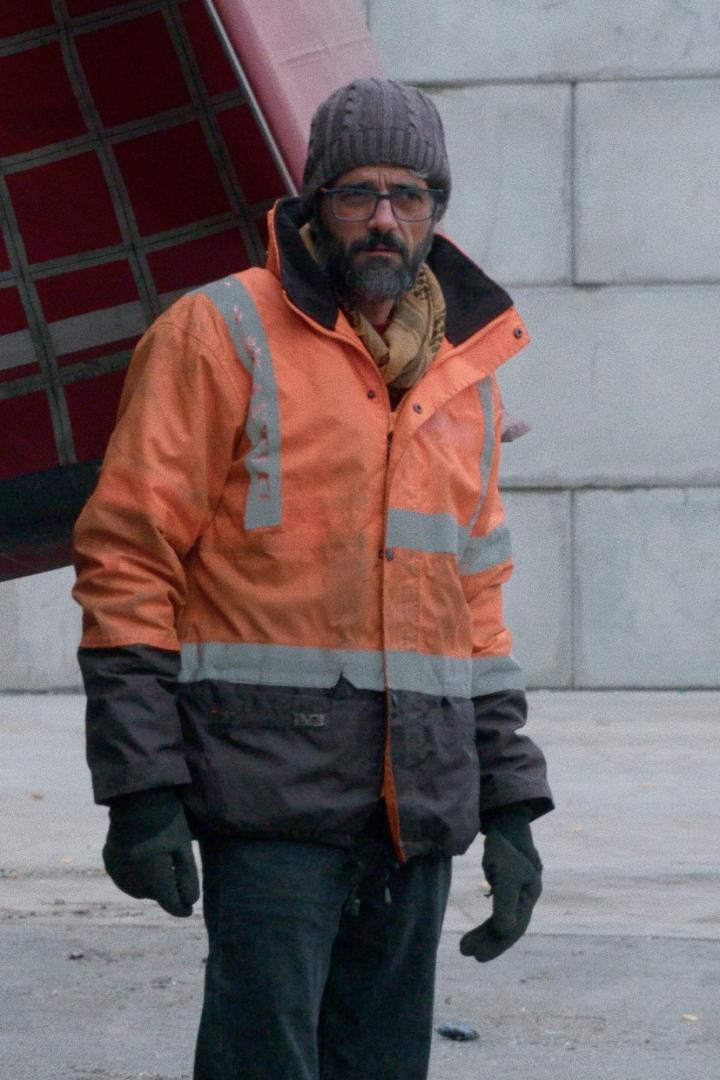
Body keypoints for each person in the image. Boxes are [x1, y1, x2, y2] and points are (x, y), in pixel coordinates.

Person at [73, 77, 553, 1080]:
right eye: (358, 193)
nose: (385, 218)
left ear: (436, 210)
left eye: (410, 195)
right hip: (269, 807)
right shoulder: (218, 335)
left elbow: (477, 609)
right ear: (311, 203)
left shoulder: (463, 379)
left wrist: (509, 806)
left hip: (414, 815)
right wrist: (141, 788)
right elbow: (128, 558)